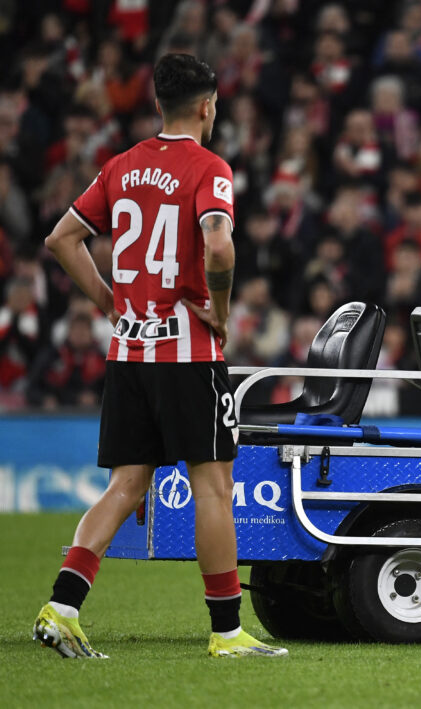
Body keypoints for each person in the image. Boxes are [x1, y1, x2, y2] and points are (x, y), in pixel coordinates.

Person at [32, 53, 286, 659]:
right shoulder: (209, 167)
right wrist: (220, 313)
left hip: (129, 353)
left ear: (156, 105)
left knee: (126, 484)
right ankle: (227, 633)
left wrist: (108, 302)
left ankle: (61, 608)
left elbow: (61, 239)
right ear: (208, 107)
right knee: (214, 487)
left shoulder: (120, 167)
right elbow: (218, 246)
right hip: (188, 355)